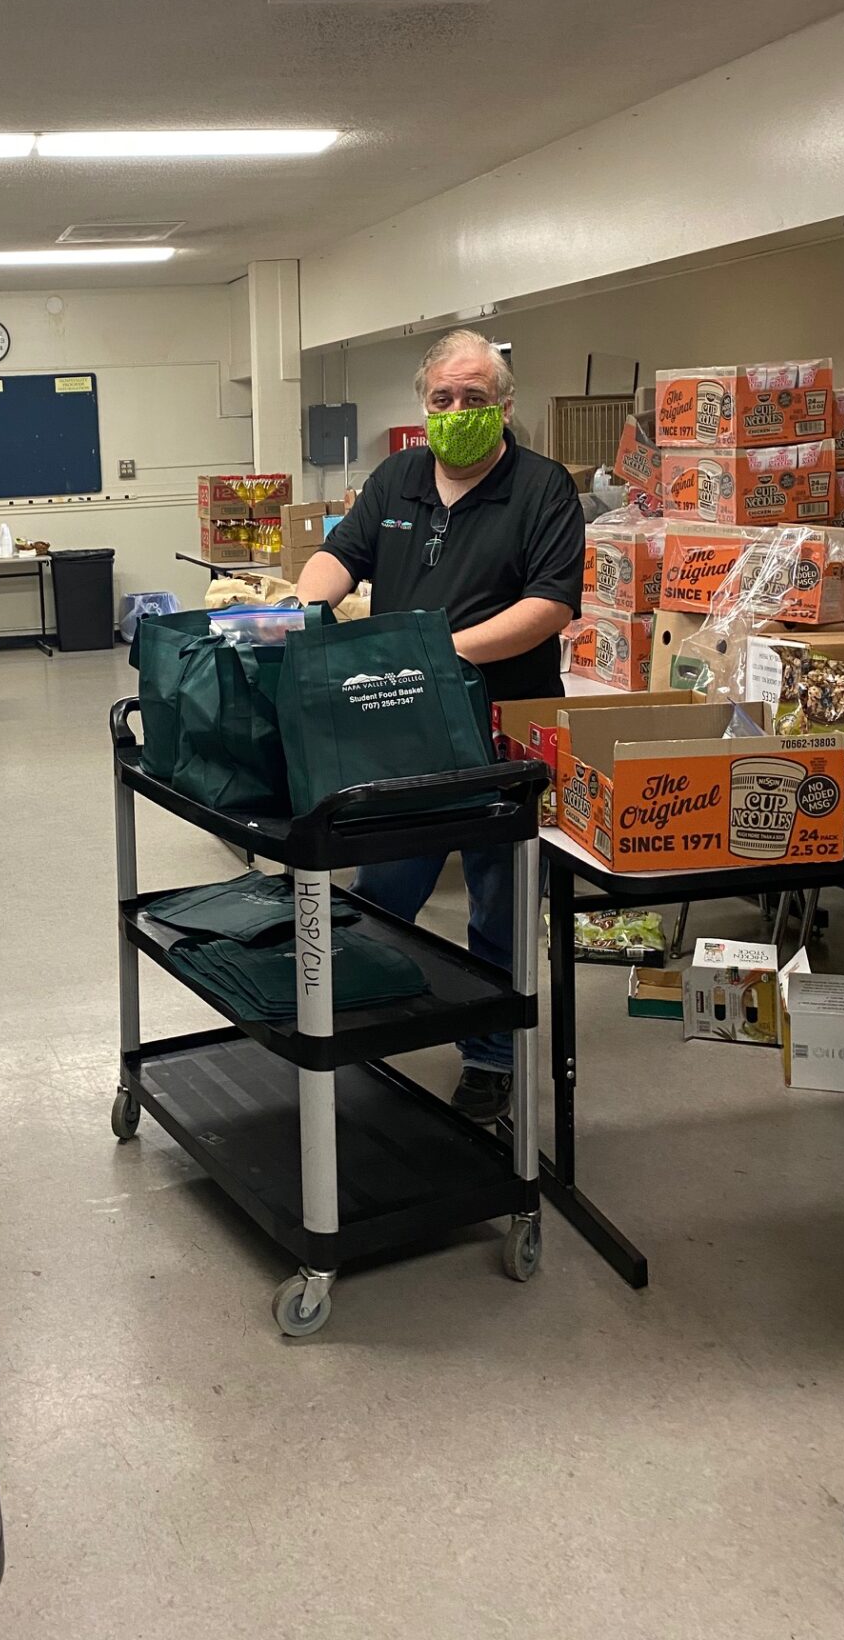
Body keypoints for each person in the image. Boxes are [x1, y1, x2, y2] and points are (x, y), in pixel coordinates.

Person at [295, 329, 584, 1124]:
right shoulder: (398, 478)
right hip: (401, 718)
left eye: (475, 399)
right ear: (425, 405)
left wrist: (434, 651)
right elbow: (339, 555)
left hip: (500, 724)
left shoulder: (542, 489)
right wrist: (305, 604)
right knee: (384, 881)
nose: (458, 412)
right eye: (443, 399)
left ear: (505, 405)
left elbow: (549, 604)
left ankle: (491, 1055)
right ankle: (373, 1011)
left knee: (497, 897)